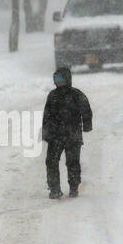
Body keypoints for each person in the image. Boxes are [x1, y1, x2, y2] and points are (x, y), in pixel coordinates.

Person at [42, 68, 92, 199]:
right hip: (55, 136)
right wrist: (46, 132)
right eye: (56, 79)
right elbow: (46, 115)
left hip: (72, 135)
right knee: (51, 161)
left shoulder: (76, 94)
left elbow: (86, 110)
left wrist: (87, 125)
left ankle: (74, 188)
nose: (59, 82)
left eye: (61, 79)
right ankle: (54, 189)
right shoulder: (52, 96)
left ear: (68, 79)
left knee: (72, 162)